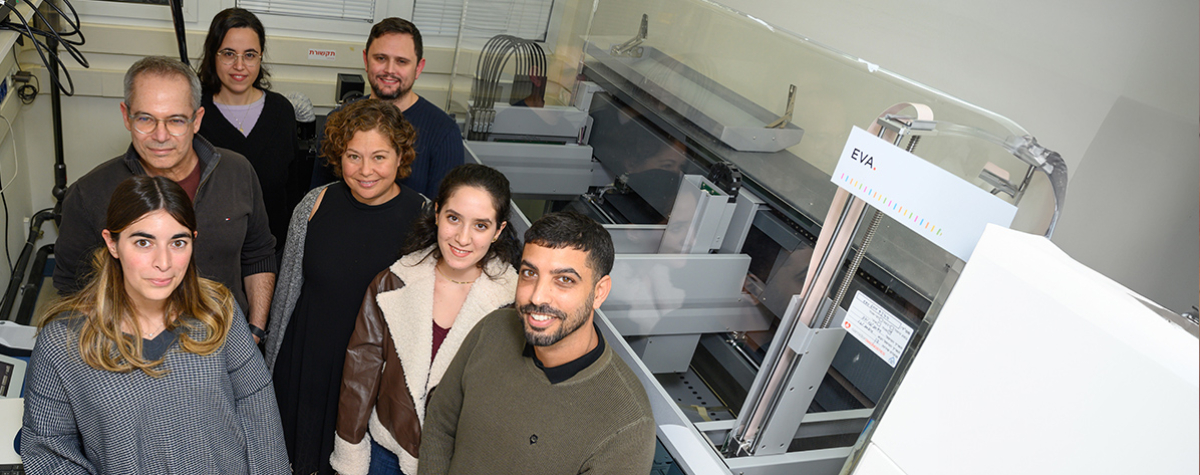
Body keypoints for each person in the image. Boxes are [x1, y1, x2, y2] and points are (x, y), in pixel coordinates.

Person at [21, 176, 289, 474]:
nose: (163, 262)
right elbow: (48, 449)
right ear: (112, 243)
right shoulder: (64, 342)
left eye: (178, 242)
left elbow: (257, 407)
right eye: (143, 242)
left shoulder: (217, 311)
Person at [53, 56, 276, 342]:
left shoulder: (238, 172)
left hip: (226, 344)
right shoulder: (89, 193)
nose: (160, 136)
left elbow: (258, 255)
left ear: (197, 120)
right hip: (130, 354)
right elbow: (71, 288)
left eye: (176, 121)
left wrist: (255, 331)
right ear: (126, 116)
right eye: (145, 118)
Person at [418, 211, 657, 474]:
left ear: (599, 292)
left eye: (564, 280)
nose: (537, 295)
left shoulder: (628, 424)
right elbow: (440, 423)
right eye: (529, 273)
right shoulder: (493, 329)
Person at [265, 98, 426, 475]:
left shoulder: (424, 219)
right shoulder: (314, 204)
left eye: (379, 157)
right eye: (354, 156)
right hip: (306, 368)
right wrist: (271, 372)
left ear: (401, 155)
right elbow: (286, 295)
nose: (365, 170)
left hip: (371, 385)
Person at [331, 164, 521, 475]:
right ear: (437, 213)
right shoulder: (393, 283)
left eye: (481, 226)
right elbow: (359, 375)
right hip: (387, 454)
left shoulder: (512, 304)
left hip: (462, 463)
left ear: (498, 231)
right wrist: (350, 458)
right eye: (454, 218)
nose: (462, 238)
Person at [310, 17, 464, 199]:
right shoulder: (337, 121)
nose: (390, 70)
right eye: (381, 58)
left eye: (401, 61)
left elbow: (444, 213)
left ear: (418, 68)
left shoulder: (443, 133)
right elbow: (318, 199)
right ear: (366, 61)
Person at [197, 7, 298, 255]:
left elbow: (294, 187)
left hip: (272, 250)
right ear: (213, 55)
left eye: (250, 55)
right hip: (209, 249)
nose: (239, 65)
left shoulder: (281, 111)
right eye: (229, 54)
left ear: (261, 57)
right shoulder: (194, 112)